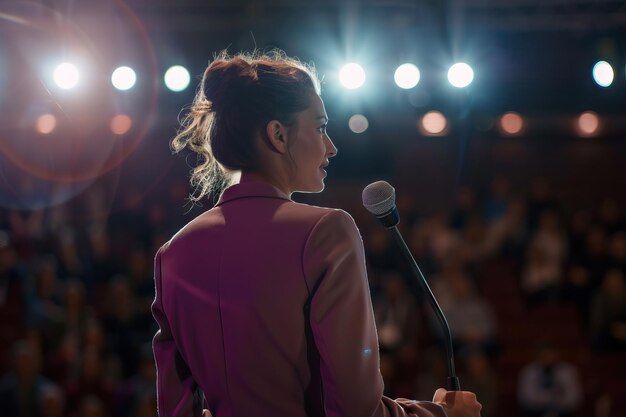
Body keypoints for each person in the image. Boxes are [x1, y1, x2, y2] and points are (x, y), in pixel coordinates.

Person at [150, 49, 483, 417]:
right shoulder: (326, 232)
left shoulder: (172, 254)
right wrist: (443, 415)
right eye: (321, 127)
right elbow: (358, 412)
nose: (332, 146)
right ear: (277, 134)